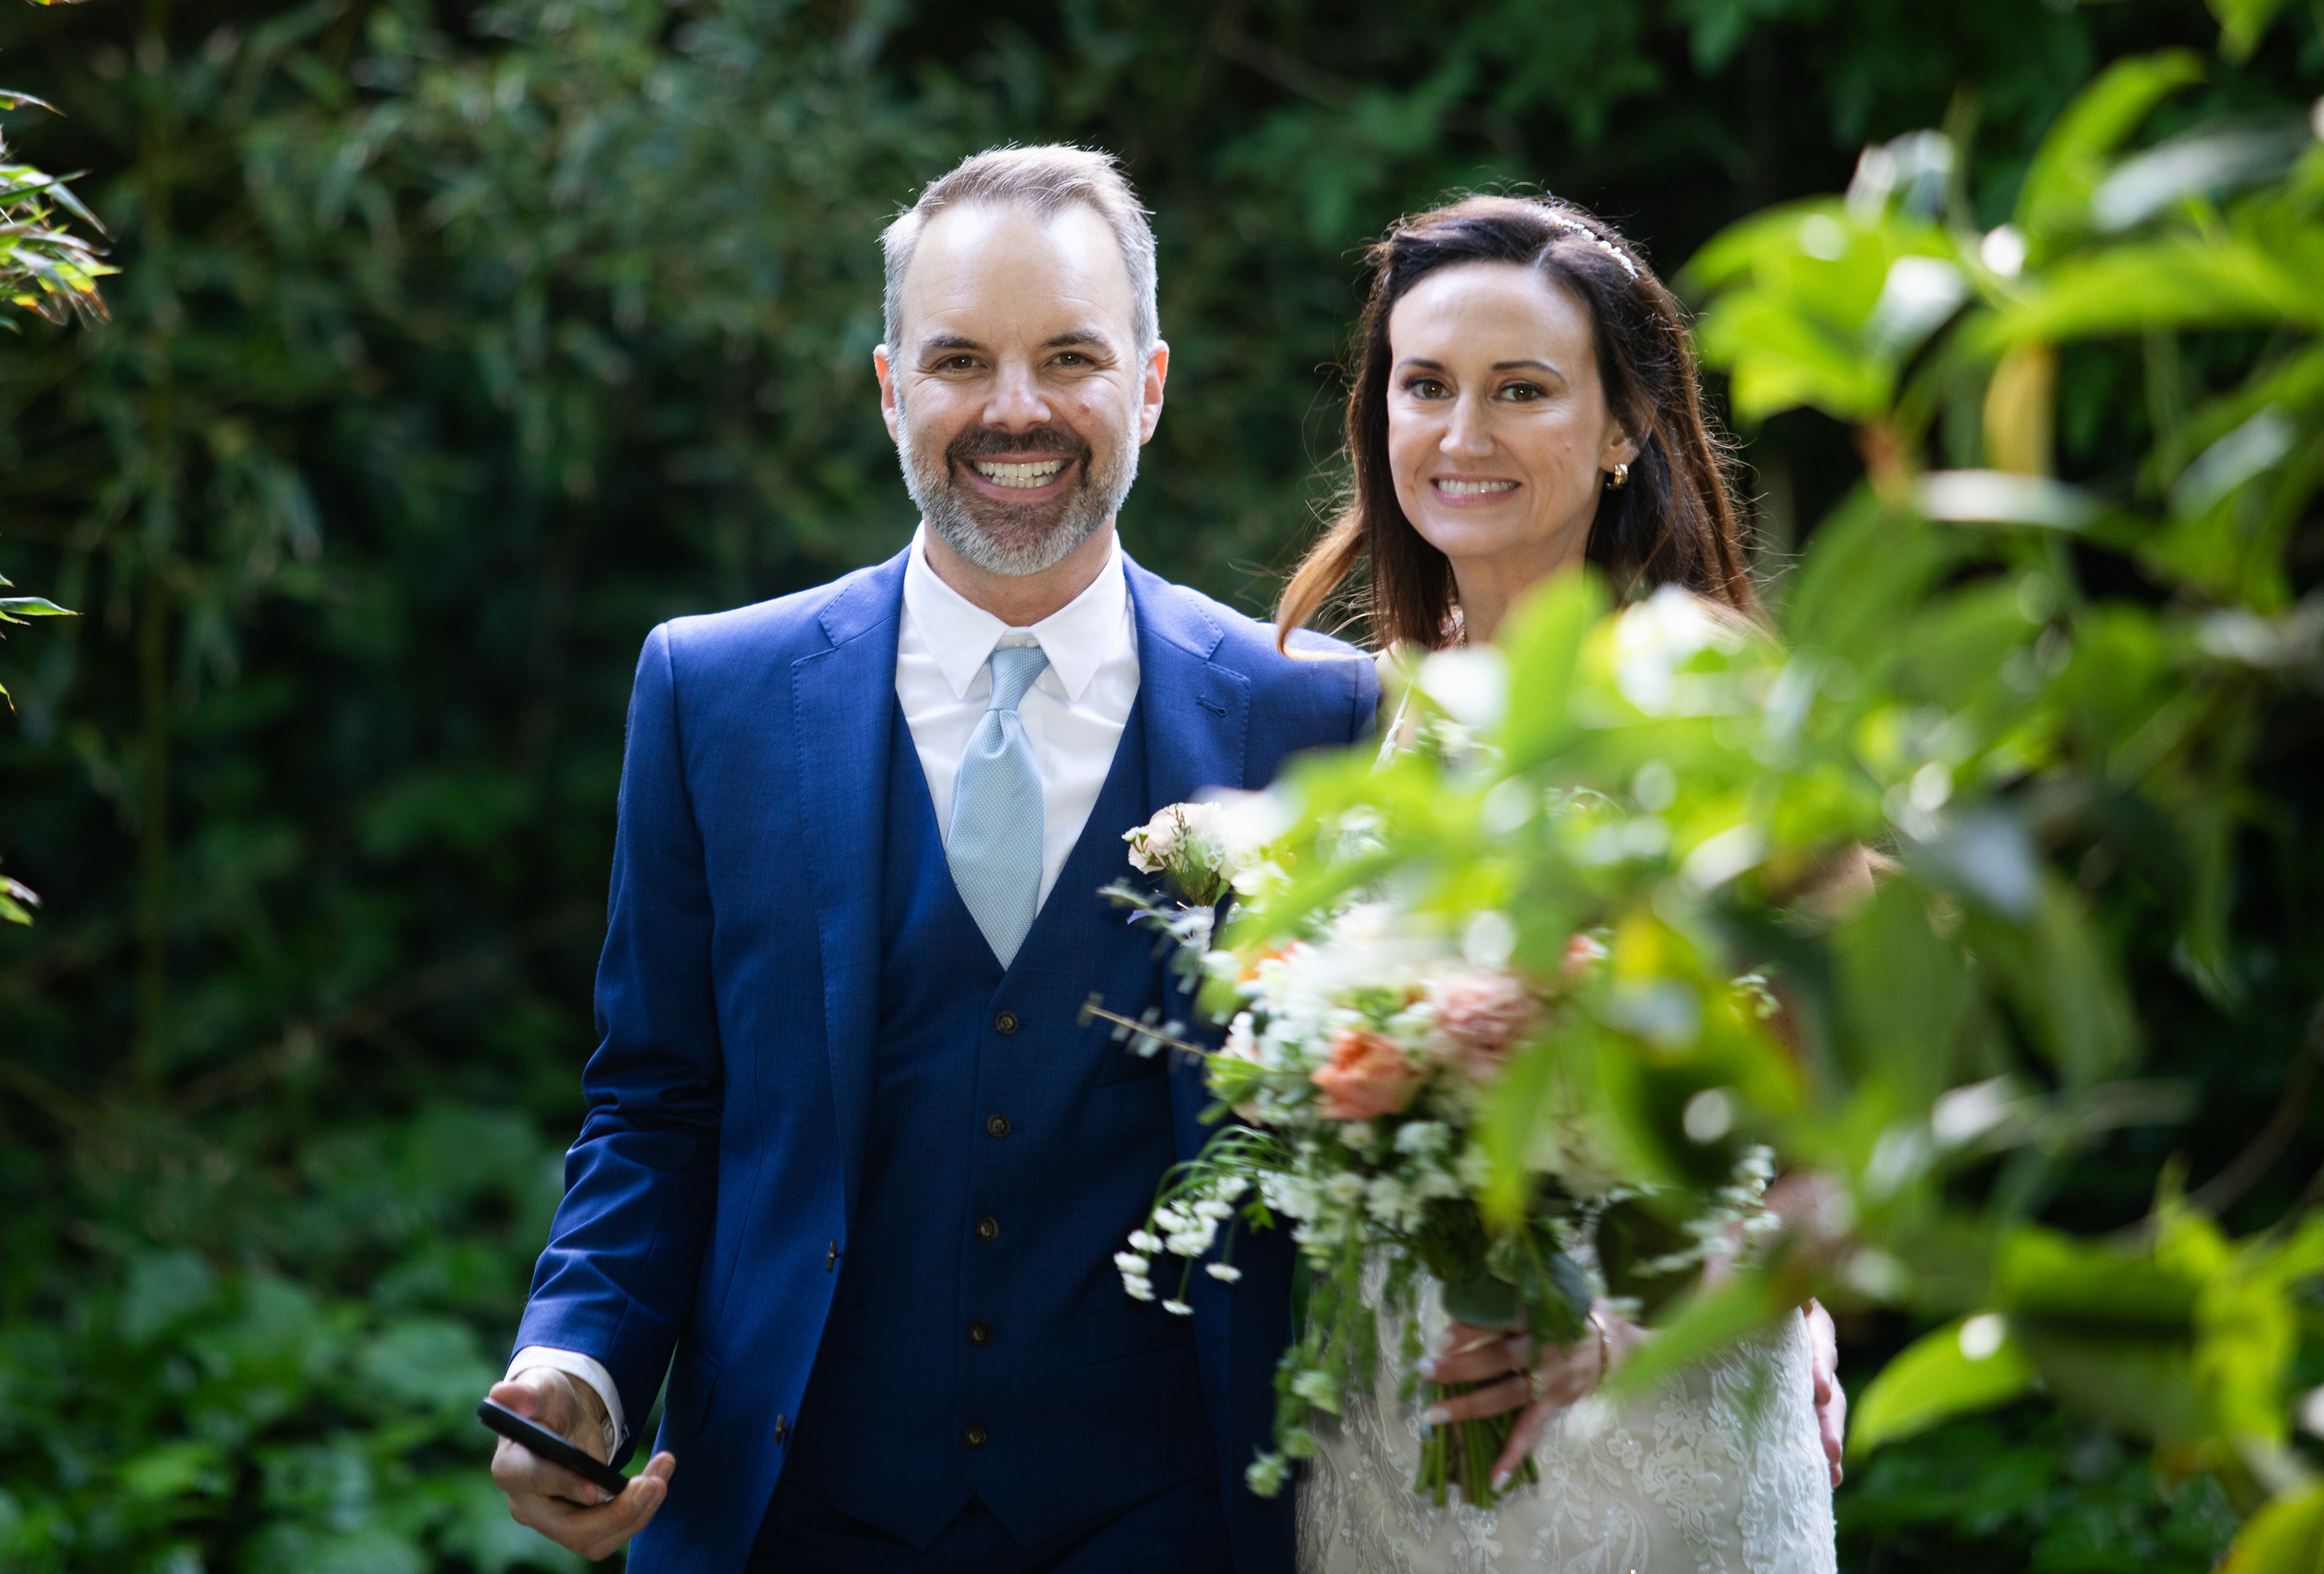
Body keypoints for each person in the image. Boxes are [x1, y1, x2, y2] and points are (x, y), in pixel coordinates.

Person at [487, 145, 1377, 1574]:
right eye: (961, 359)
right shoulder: (713, 690)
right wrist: (578, 1361)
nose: (1015, 410)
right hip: (790, 1519)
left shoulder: (1312, 713)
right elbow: (657, 1098)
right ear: (892, 384)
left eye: (1069, 358)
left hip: (1177, 1523)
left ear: (1148, 383)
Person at [1273, 194, 1843, 1573]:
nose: (1463, 437)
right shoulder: (1345, 705)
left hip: (1659, 1469)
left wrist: (1622, 1330)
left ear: (1623, 428)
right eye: (1427, 387)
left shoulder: (1715, 703)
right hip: (1381, 1471)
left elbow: (1857, 1158)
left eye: (1521, 390)